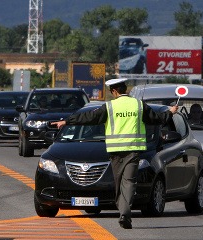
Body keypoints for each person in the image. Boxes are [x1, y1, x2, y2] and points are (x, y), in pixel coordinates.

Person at [51, 78, 178, 229]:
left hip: (115, 152)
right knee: (129, 182)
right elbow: (157, 119)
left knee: (120, 183)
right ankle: (124, 211)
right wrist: (170, 112)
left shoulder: (109, 107)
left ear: (114, 91)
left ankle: (124, 213)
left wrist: (67, 122)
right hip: (133, 151)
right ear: (125, 90)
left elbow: (89, 117)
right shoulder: (138, 105)